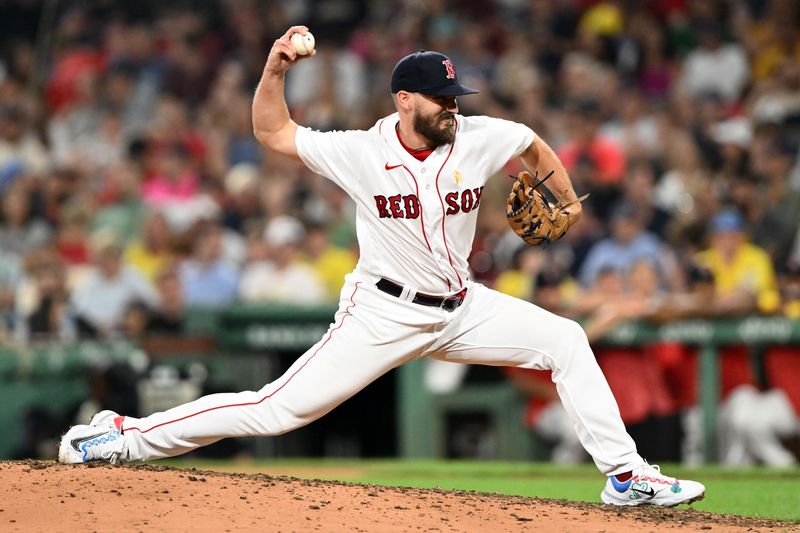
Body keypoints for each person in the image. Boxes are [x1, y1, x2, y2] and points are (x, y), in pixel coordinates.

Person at [59, 26, 704, 507]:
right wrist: (275, 67)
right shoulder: (361, 152)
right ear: (404, 100)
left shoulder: (476, 137)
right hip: (381, 313)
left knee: (565, 338)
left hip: (462, 308)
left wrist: (560, 195)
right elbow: (272, 133)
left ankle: (626, 476)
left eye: (455, 96)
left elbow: (530, 145)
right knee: (276, 410)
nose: (453, 106)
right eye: (441, 98)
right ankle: (122, 437)